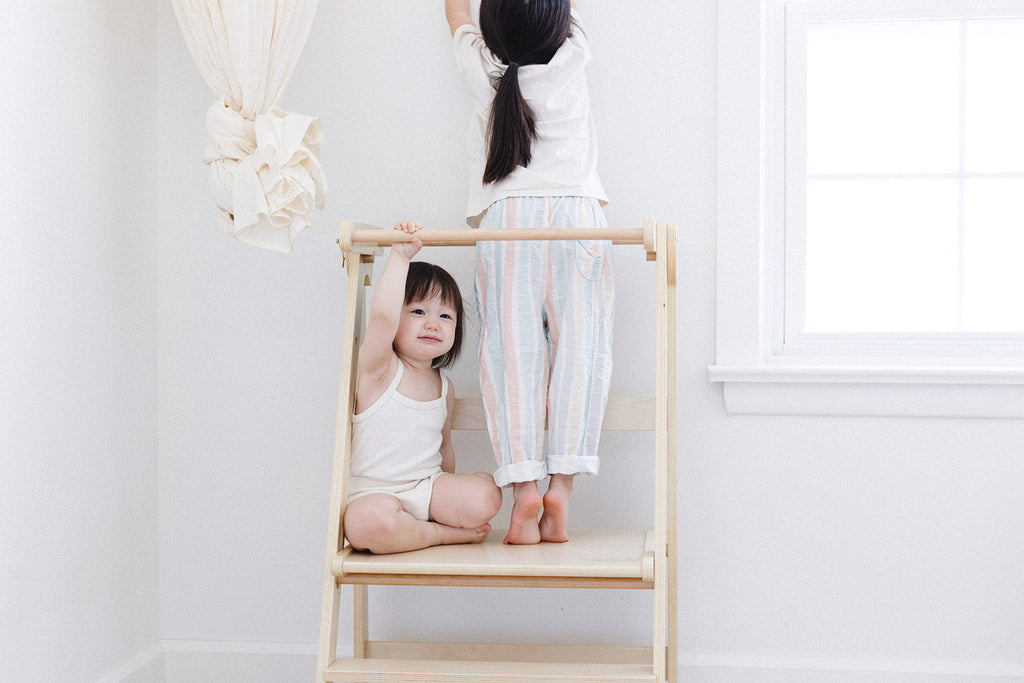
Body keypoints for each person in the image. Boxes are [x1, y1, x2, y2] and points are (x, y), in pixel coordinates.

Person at [445, 0, 613, 544]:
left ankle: (524, 490)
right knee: (580, 349)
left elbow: (456, 14)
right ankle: (561, 484)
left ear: (491, 32)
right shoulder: (576, 54)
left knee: (511, 354)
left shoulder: (484, 71)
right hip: (578, 216)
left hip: (509, 219)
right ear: (560, 23)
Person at [343, 222, 503, 554]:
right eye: (418, 311)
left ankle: (432, 523)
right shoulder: (378, 370)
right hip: (375, 496)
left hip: (426, 490)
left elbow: (444, 447)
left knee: (487, 494)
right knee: (365, 525)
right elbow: (383, 319)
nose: (433, 323)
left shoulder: (444, 386)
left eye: (446, 316)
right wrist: (399, 256)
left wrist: (453, 499)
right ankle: (440, 534)